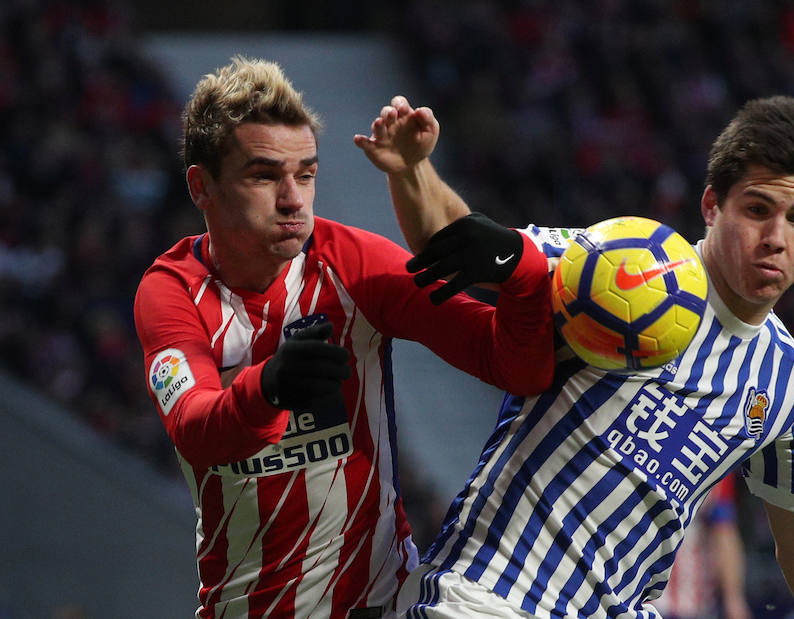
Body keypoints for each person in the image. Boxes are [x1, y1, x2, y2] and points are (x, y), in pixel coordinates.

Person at [370, 95, 794, 618]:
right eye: (757, 209)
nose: (775, 239)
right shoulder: (626, 263)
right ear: (711, 206)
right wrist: (412, 169)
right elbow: (465, 244)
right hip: (489, 597)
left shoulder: (793, 383)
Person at [133, 56, 556, 619]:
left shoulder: (354, 264)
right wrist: (270, 389)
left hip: (381, 603)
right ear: (200, 186)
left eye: (305, 174)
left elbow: (513, 365)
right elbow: (195, 431)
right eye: (263, 176)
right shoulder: (171, 292)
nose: (293, 200)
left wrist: (521, 271)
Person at [652, 474, 751, 619]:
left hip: (697, 601)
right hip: (645, 601)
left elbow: (724, 533)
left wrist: (734, 599)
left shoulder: (717, 469)